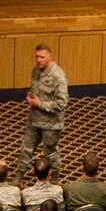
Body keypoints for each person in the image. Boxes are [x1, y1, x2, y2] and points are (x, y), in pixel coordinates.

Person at [21, 43, 69, 173]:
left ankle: (55, 178)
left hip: (51, 124)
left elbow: (62, 103)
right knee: (26, 148)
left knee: (50, 153)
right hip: (34, 119)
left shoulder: (58, 76)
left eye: (42, 57)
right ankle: (19, 175)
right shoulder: (36, 70)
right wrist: (31, 98)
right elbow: (35, 89)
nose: (39, 60)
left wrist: (40, 104)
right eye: (37, 57)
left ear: (50, 57)